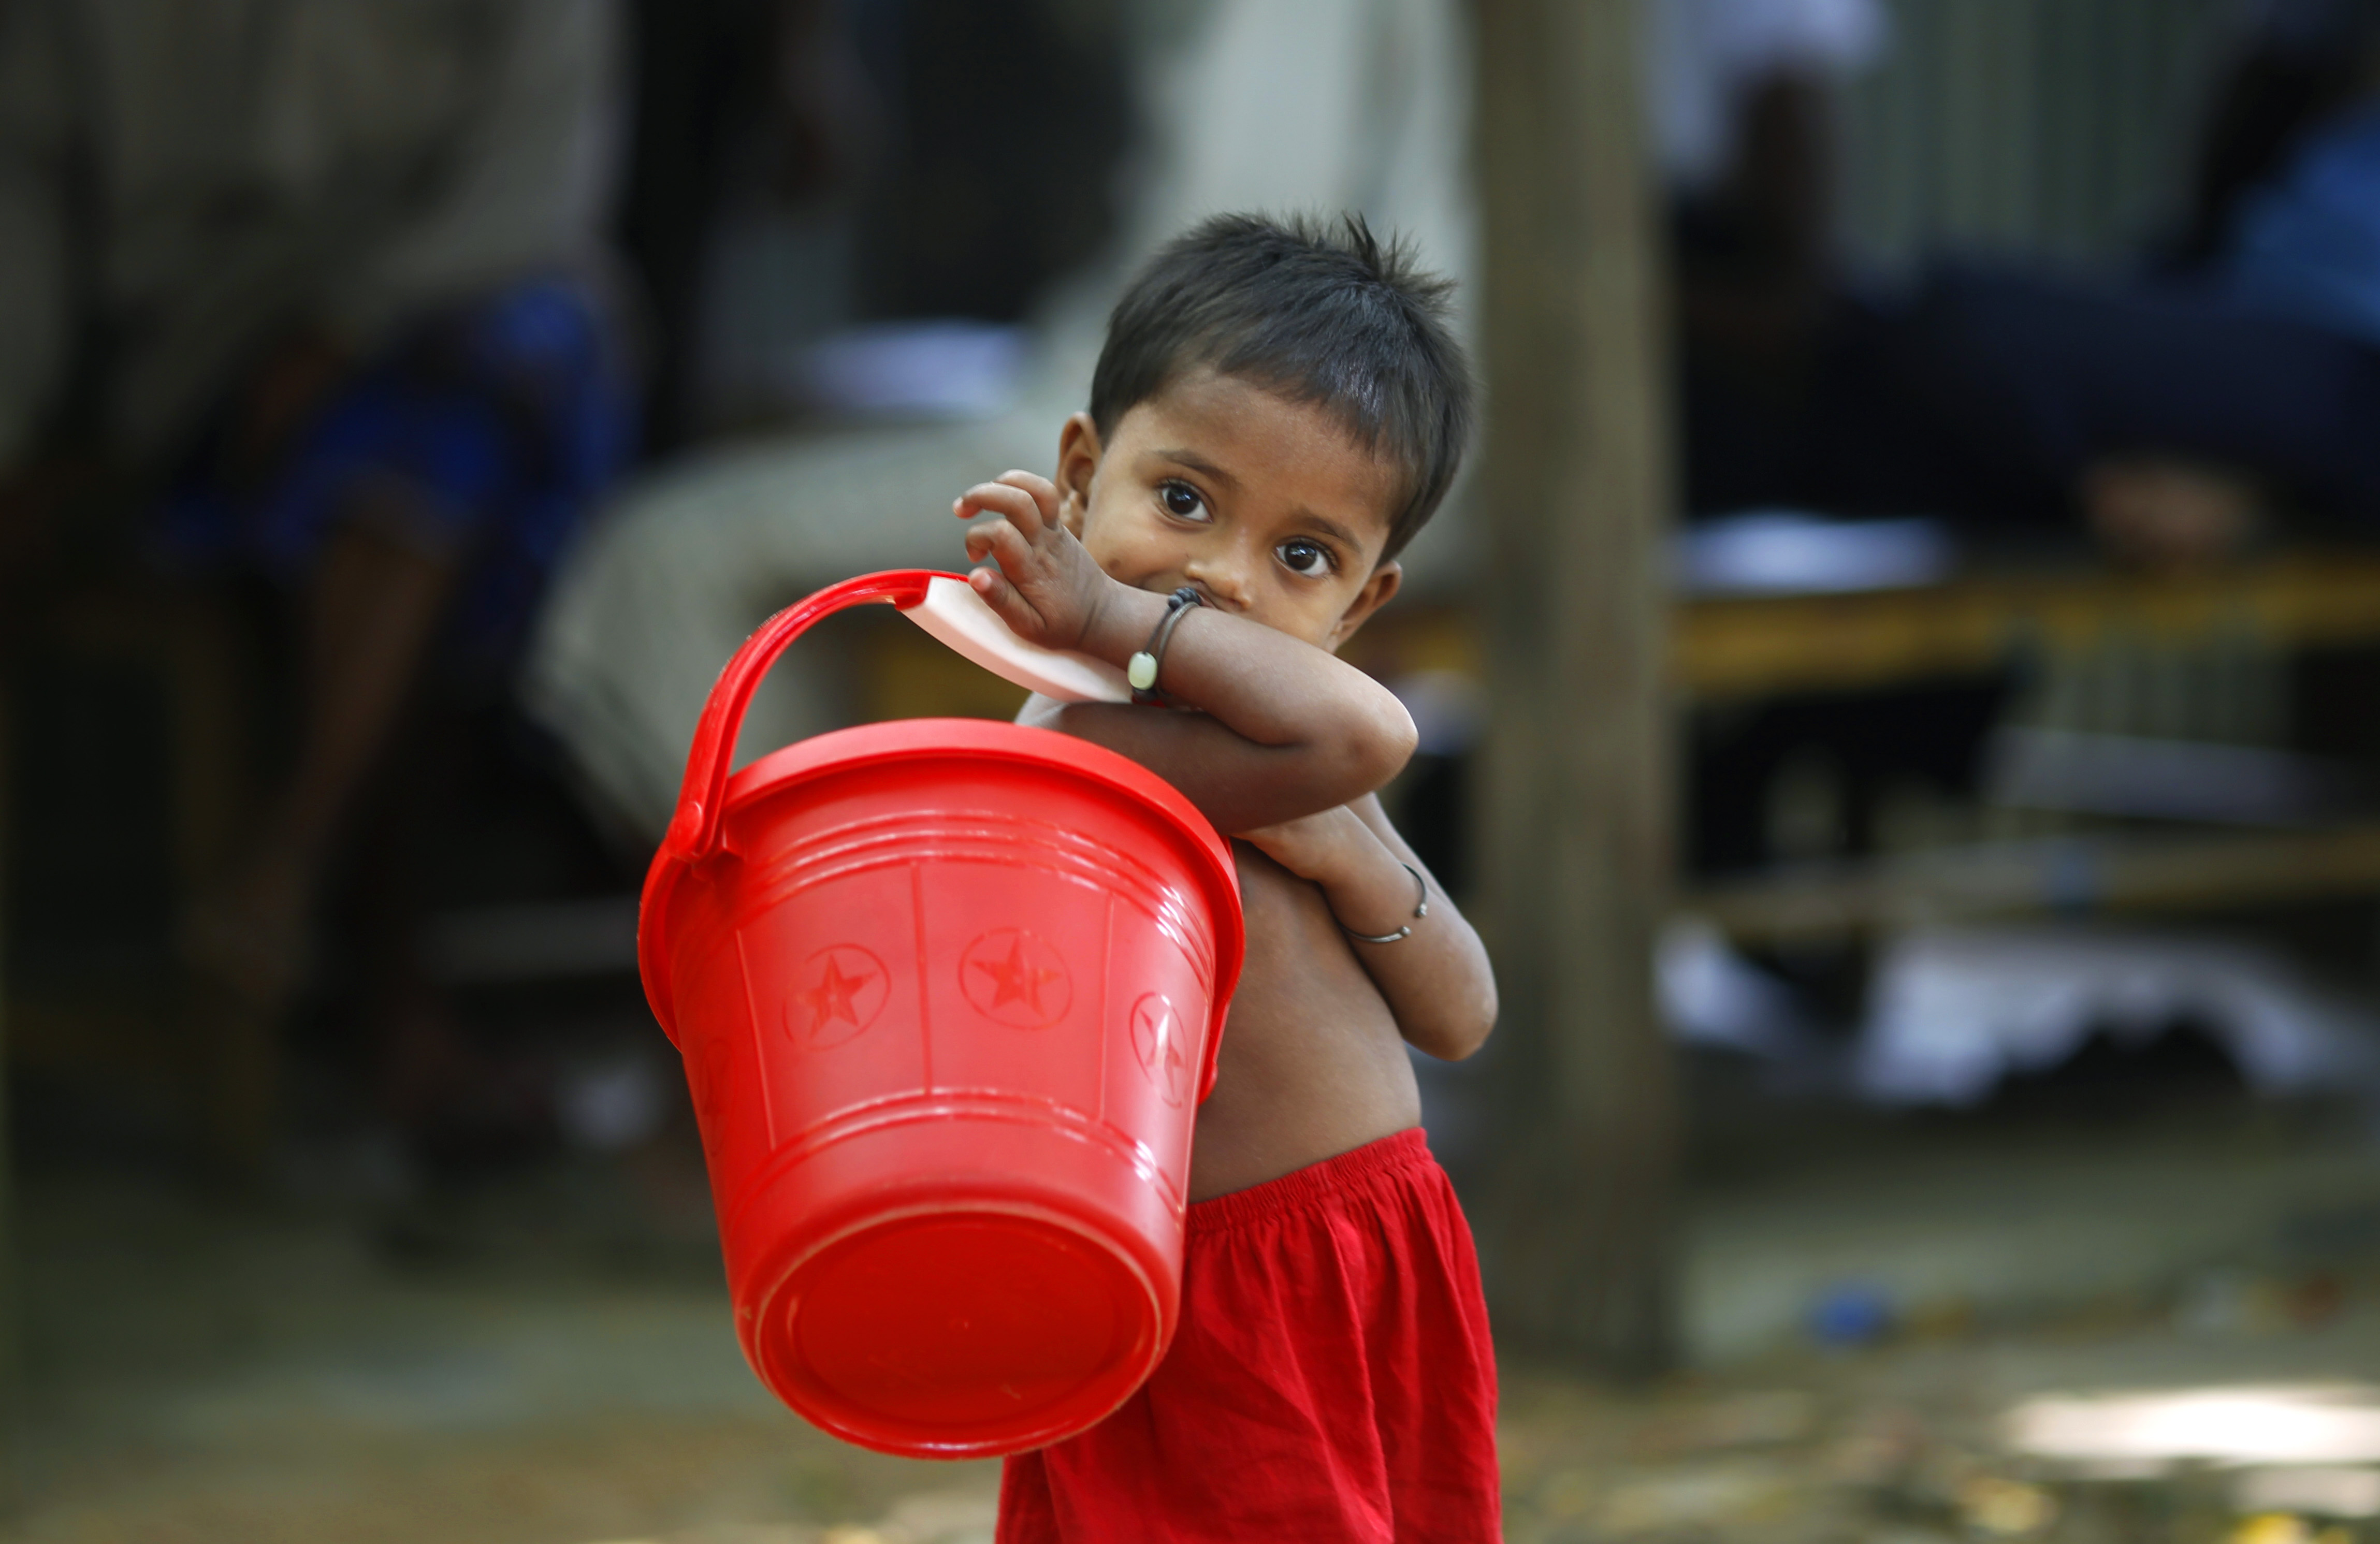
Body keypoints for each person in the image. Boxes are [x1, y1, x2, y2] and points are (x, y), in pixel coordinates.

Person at [951, 214, 1498, 1543]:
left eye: (1303, 558)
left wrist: (1353, 853)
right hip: (1218, 1297)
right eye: (1183, 501)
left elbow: (1461, 1012)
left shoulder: (1284, 749)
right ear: (1082, 475)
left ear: (1363, 607)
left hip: (1376, 1252)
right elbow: (1371, 730)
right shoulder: (1098, 738)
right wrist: (1113, 622)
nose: (1221, 581)